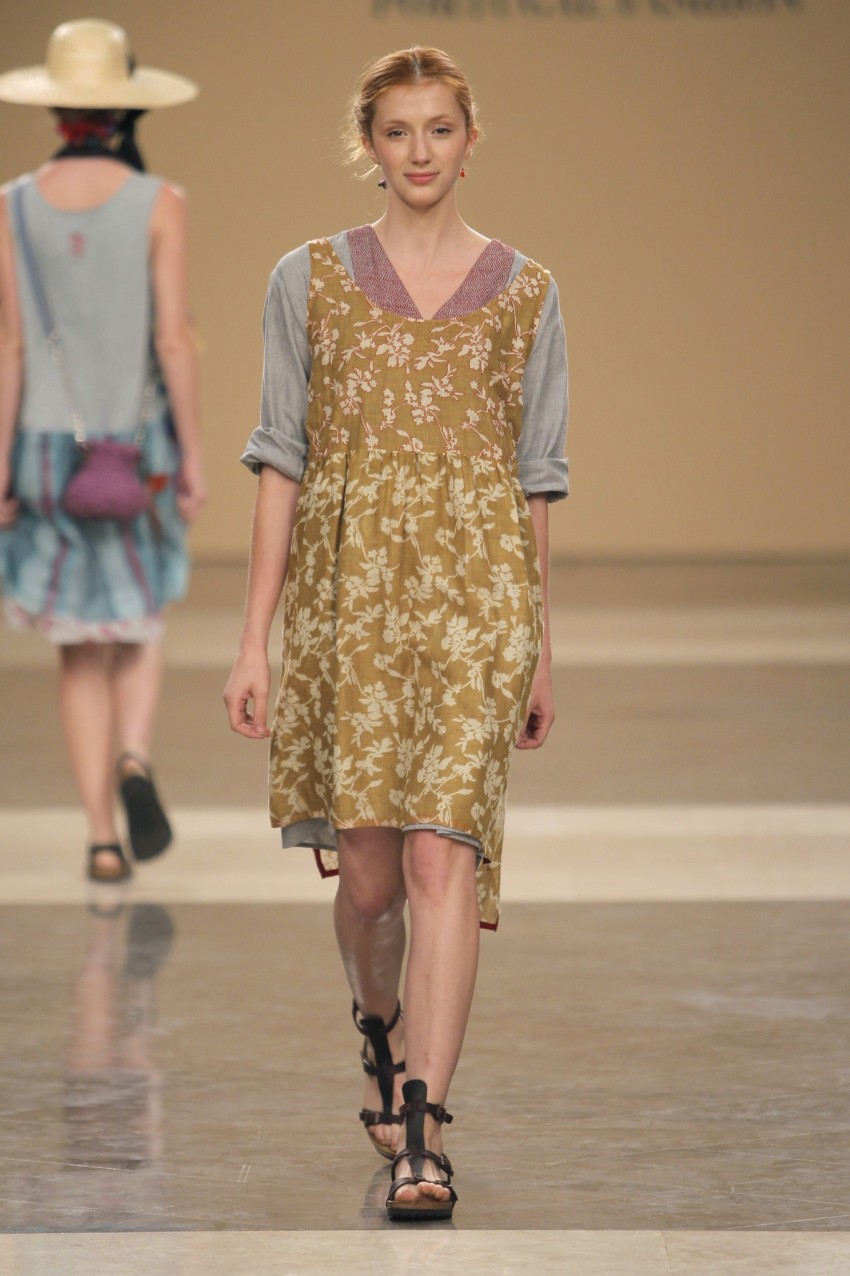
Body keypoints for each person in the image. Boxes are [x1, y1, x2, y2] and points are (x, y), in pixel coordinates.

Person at [224, 46, 568, 1221]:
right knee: (370, 882)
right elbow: (279, 460)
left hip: (477, 603)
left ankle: (424, 1130)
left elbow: (534, 477)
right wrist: (254, 638)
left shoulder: (527, 290)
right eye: (398, 130)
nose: (420, 151)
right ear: (368, 146)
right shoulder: (307, 279)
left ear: (470, 141)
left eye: (439, 128)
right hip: (348, 606)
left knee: (440, 862)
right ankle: (380, 1033)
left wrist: (541, 643)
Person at [0, 20, 205, 884]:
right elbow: (174, 339)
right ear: (125, 108)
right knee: (141, 618)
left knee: (78, 648)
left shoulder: (12, 206)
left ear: (56, 113)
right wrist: (194, 455)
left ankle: (100, 840)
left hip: (48, 451)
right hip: (137, 444)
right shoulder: (160, 202)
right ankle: (134, 754)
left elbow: (9, 348)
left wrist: (0, 469)